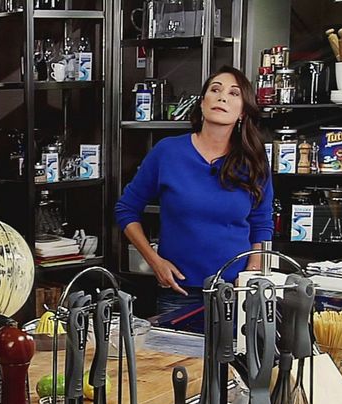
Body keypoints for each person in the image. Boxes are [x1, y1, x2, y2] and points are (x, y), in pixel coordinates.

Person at [115, 65, 273, 316]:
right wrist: (154, 261)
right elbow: (126, 209)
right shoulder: (167, 152)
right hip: (179, 291)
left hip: (235, 291)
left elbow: (261, 223)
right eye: (215, 90)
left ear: (243, 111)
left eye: (233, 93)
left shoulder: (253, 160)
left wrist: (251, 274)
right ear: (202, 102)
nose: (222, 97)